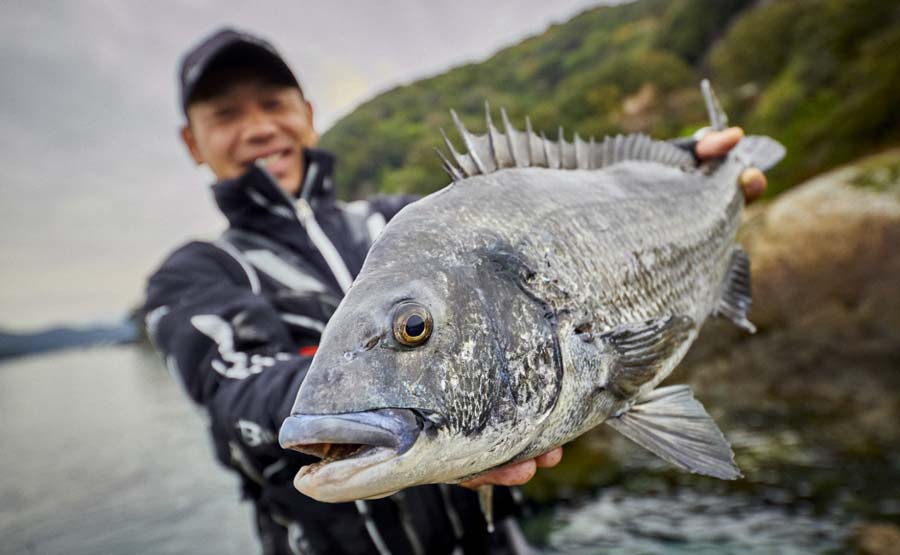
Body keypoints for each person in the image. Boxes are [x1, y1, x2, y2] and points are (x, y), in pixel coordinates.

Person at [143, 27, 767, 555]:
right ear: (191, 143)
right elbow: (235, 402)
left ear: (306, 112)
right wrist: (404, 396)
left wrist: (692, 161)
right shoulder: (195, 275)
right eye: (225, 115)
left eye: (273, 103)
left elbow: (591, 197)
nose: (256, 128)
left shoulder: (404, 221)